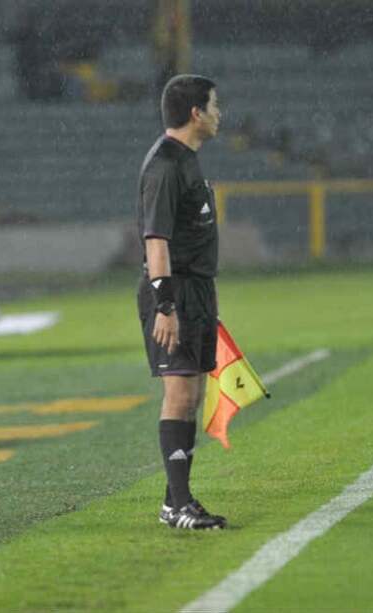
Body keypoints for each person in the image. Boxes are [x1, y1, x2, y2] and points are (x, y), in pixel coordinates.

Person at [135, 74, 225, 530]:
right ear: (195, 113)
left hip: (196, 290)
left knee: (191, 393)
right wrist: (165, 305)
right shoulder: (166, 165)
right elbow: (157, 240)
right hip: (173, 291)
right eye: (213, 105)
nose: (218, 113)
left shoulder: (186, 159)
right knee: (179, 391)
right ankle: (178, 504)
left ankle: (177, 500)